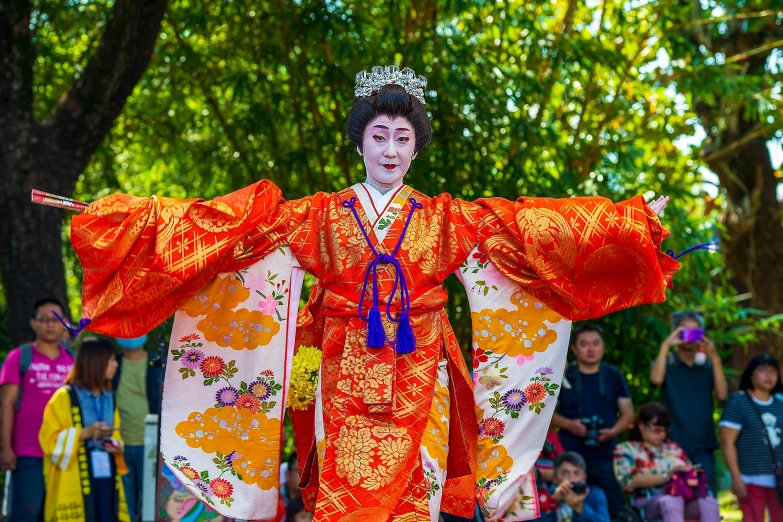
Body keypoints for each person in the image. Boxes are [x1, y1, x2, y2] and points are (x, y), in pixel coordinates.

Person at [67, 65, 678, 521]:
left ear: (416, 149)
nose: (390, 150)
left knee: (420, 487)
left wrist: (627, 223)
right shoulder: (319, 215)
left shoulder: (444, 217)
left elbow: (530, 229)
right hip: (341, 368)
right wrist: (126, 218)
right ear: (360, 141)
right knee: (344, 488)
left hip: (422, 367)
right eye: (379, 136)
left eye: (402, 139)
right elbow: (231, 227)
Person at [0, 297, 75, 522]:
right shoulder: (19, 357)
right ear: (34, 323)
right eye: (44, 320)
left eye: (56, 320)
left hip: (63, 454)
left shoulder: (73, 360)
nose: (50, 325)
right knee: (25, 515)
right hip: (27, 453)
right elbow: (6, 404)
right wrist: (5, 448)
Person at [39, 337, 129, 522]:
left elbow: (116, 433)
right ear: (96, 363)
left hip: (106, 469)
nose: (115, 365)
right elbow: (48, 440)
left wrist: (116, 444)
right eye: (111, 360)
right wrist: (84, 433)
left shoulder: (109, 396)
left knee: (106, 514)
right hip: (78, 471)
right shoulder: (64, 397)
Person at [551, 323, 634, 516]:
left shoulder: (613, 375)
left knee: (614, 505)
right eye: (584, 344)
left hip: (606, 451)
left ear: (603, 346)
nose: (590, 349)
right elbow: (545, 413)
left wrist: (613, 431)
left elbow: (628, 414)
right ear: (574, 349)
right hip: (571, 454)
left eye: (595, 343)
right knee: (567, 501)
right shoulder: (564, 375)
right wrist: (569, 425)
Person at [649, 310, 727, 493]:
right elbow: (656, 381)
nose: (690, 336)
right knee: (674, 498)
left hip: (704, 442)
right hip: (672, 443)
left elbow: (722, 394)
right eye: (684, 330)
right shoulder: (666, 362)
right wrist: (665, 346)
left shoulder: (708, 364)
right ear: (675, 332)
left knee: (706, 499)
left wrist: (715, 358)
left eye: (695, 331)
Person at [614, 403, 720, 522]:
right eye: (657, 430)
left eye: (665, 430)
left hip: (684, 496)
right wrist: (667, 476)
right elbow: (629, 481)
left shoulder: (673, 449)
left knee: (710, 502)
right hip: (648, 500)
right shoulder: (626, 450)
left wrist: (692, 474)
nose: (662, 434)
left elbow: (688, 471)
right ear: (642, 426)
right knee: (671, 501)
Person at [720, 353, 783, 522]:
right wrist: (736, 477)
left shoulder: (781, 403)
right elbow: (727, 442)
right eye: (762, 370)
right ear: (751, 374)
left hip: (779, 478)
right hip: (750, 478)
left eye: (773, 371)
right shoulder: (738, 402)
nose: (768, 375)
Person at [112, 335, 162, 522]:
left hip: (148, 444)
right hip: (119, 443)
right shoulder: (112, 363)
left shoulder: (155, 363)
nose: (130, 336)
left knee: (149, 501)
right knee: (123, 504)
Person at [538, 451, 610, 522]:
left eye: (576, 473)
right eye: (565, 473)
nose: (572, 480)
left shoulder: (595, 495)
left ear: (584, 478)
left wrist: (580, 509)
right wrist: (552, 503)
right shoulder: (544, 496)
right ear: (555, 478)